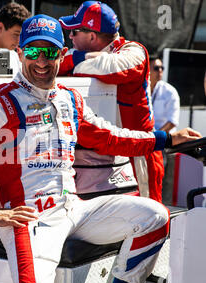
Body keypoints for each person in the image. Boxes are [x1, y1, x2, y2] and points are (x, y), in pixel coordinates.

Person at [0, 14, 202, 283]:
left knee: (156, 216)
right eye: (33, 52)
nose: (41, 61)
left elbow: (111, 138)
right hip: (29, 218)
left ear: (62, 55)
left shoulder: (70, 99)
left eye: (50, 52)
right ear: (20, 53)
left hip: (74, 209)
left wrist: (167, 139)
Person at [58, 1, 165, 203]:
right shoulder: (86, 54)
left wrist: (75, 58)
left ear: (92, 36)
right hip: (98, 159)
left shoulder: (135, 51)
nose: (69, 37)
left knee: (150, 220)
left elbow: (108, 67)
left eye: (74, 32)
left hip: (139, 154)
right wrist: (77, 58)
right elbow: (54, 62)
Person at [150, 57, 180, 134]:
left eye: (162, 68)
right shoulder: (141, 89)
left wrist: (157, 136)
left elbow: (172, 122)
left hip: (165, 140)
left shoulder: (170, 92)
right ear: (147, 70)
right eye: (156, 68)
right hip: (148, 138)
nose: (160, 70)